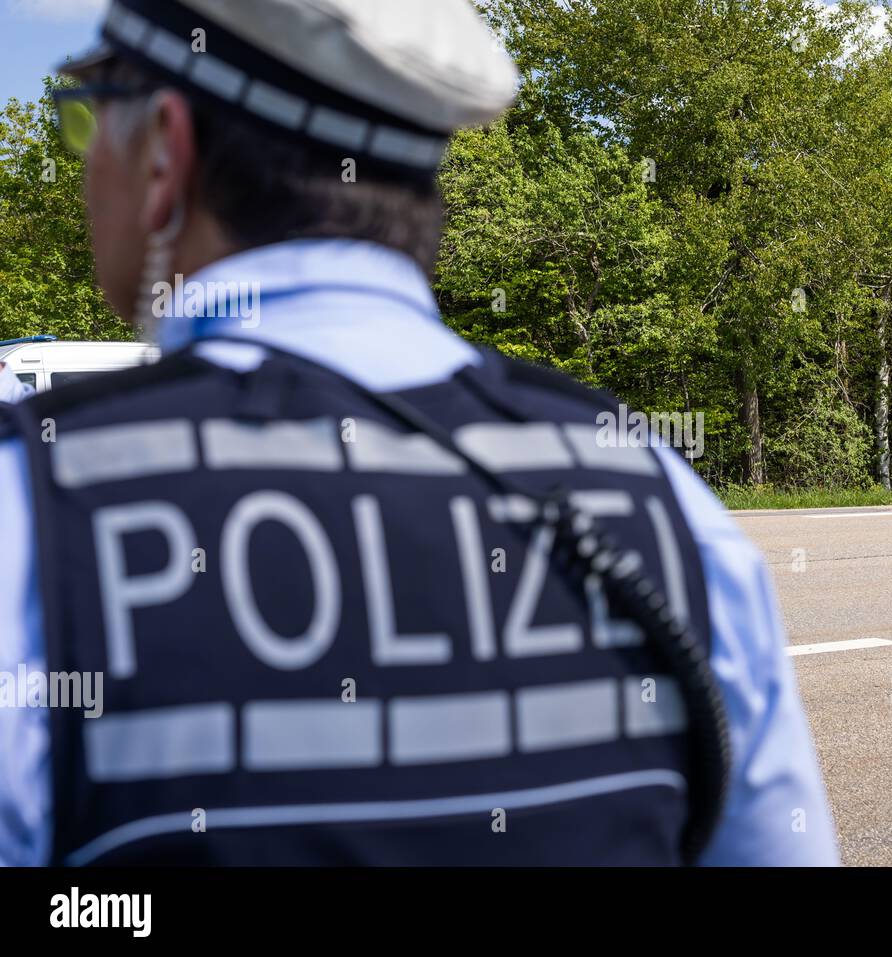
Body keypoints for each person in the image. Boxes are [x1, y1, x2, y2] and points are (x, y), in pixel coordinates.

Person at [0, 0, 837, 866]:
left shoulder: (30, 516)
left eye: (86, 120)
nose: (86, 156)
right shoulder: (659, 493)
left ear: (165, 151)